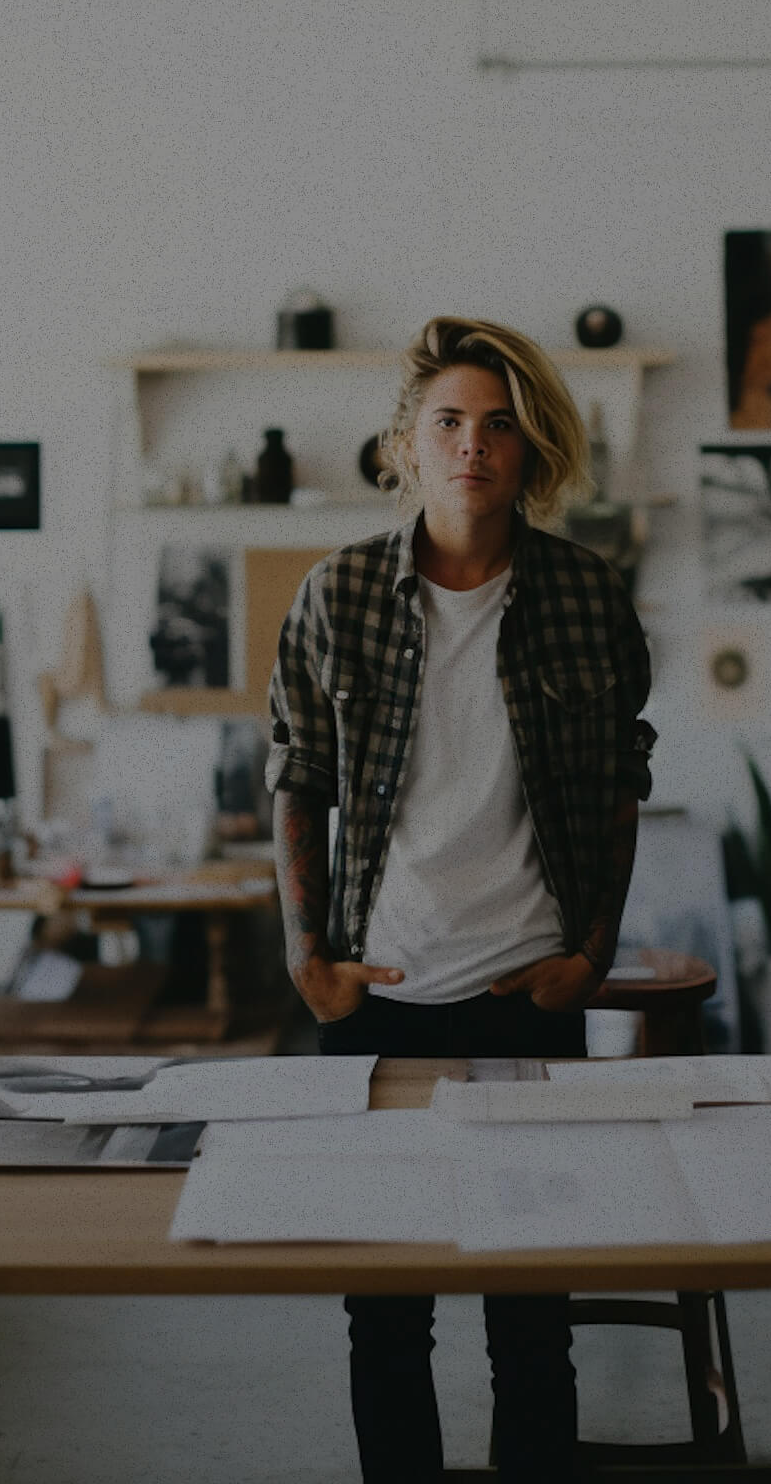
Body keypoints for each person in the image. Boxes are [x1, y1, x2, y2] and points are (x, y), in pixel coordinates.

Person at [266, 316, 656, 1482]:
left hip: (525, 997)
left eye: (497, 425)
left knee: (533, 1319)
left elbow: (621, 780)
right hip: (379, 998)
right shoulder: (338, 596)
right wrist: (306, 954)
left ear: (530, 451)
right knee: (386, 1316)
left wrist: (591, 954)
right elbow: (298, 777)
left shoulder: (587, 597)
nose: (471, 446)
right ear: (403, 447)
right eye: (446, 423)